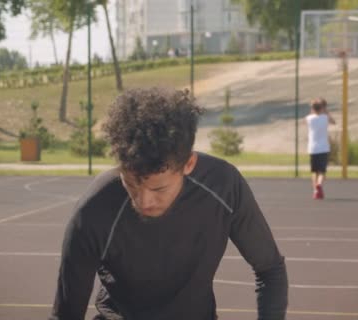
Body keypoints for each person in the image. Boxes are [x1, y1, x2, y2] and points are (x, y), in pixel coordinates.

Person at [50, 87, 288, 320]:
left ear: (188, 164)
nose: (143, 201)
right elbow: (65, 315)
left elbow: (270, 269)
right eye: (131, 183)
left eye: (158, 188)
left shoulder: (223, 186)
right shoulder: (93, 210)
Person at [305, 97, 336, 200]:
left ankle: (315, 190)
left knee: (314, 171)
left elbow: (311, 113)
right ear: (322, 108)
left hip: (313, 148)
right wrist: (325, 110)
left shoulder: (309, 119)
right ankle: (319, 184)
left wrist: (315, 106)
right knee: (322, 171)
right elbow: (333, 121)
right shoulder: (325, 118)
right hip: (323, 148)